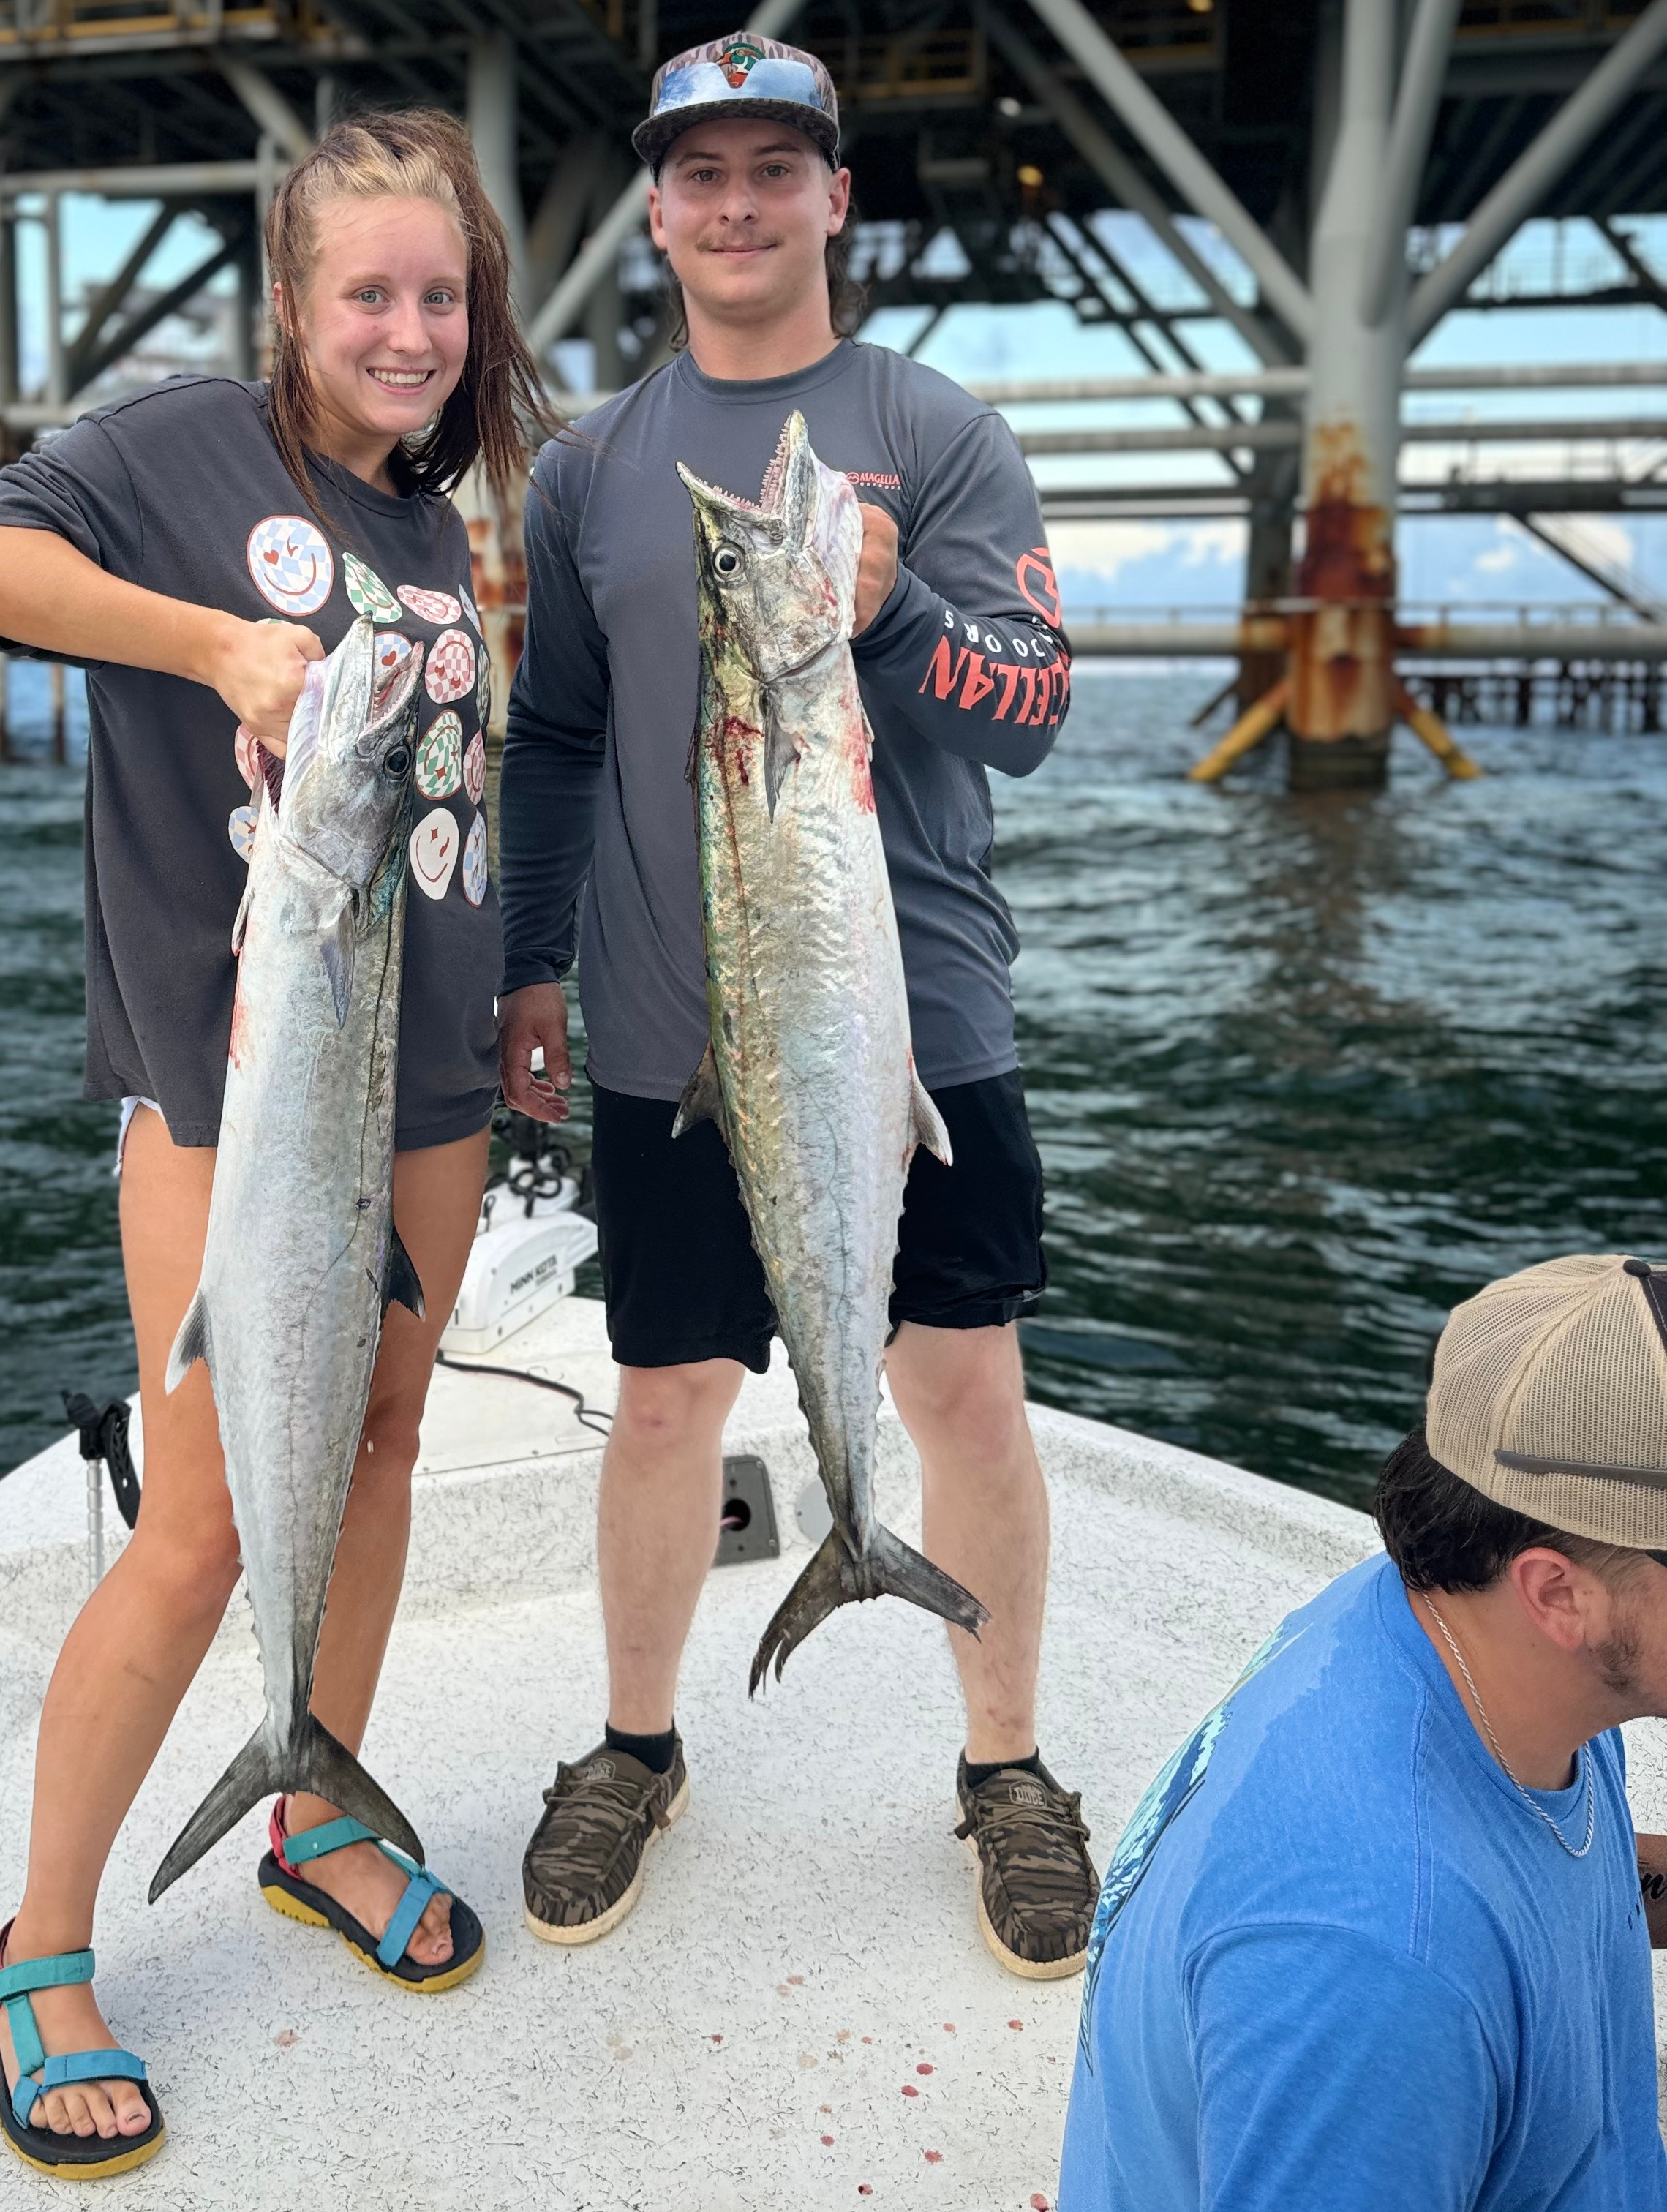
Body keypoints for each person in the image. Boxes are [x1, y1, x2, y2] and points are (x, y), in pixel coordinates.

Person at [0, 110, 552, 2178]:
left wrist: (520, 989)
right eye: (369, 292)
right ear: (288, 300)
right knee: (197, 1523)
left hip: (427, 1072)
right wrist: (203, 643)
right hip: (236, 1083)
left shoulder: (429, 514)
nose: (410, 330)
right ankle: (38, 1945)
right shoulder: (183, 448)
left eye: (441, 295)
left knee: (381, 1446)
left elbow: (452, 804)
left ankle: (315, 1806)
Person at [497, 29, 1094, 1976]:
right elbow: (555, 738)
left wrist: (893, 607)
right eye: (703, 173)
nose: (738, 205)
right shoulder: (589, 465)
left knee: (965, 1392)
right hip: (670, 1028)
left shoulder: (940, 430)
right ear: (656, 209)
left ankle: (1005, 1766)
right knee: (666, 1400)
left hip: (925, 1022)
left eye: (777, 170)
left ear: (838, 197)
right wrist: (528, 965)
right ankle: (636, 1745)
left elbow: (1037, 707)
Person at [1061, 1252, 1667, 2211]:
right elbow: (1438, 1947)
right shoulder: (1383, 1969)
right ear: (1560, 1594)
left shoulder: (1460, 1638)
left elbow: (1549, 1883)